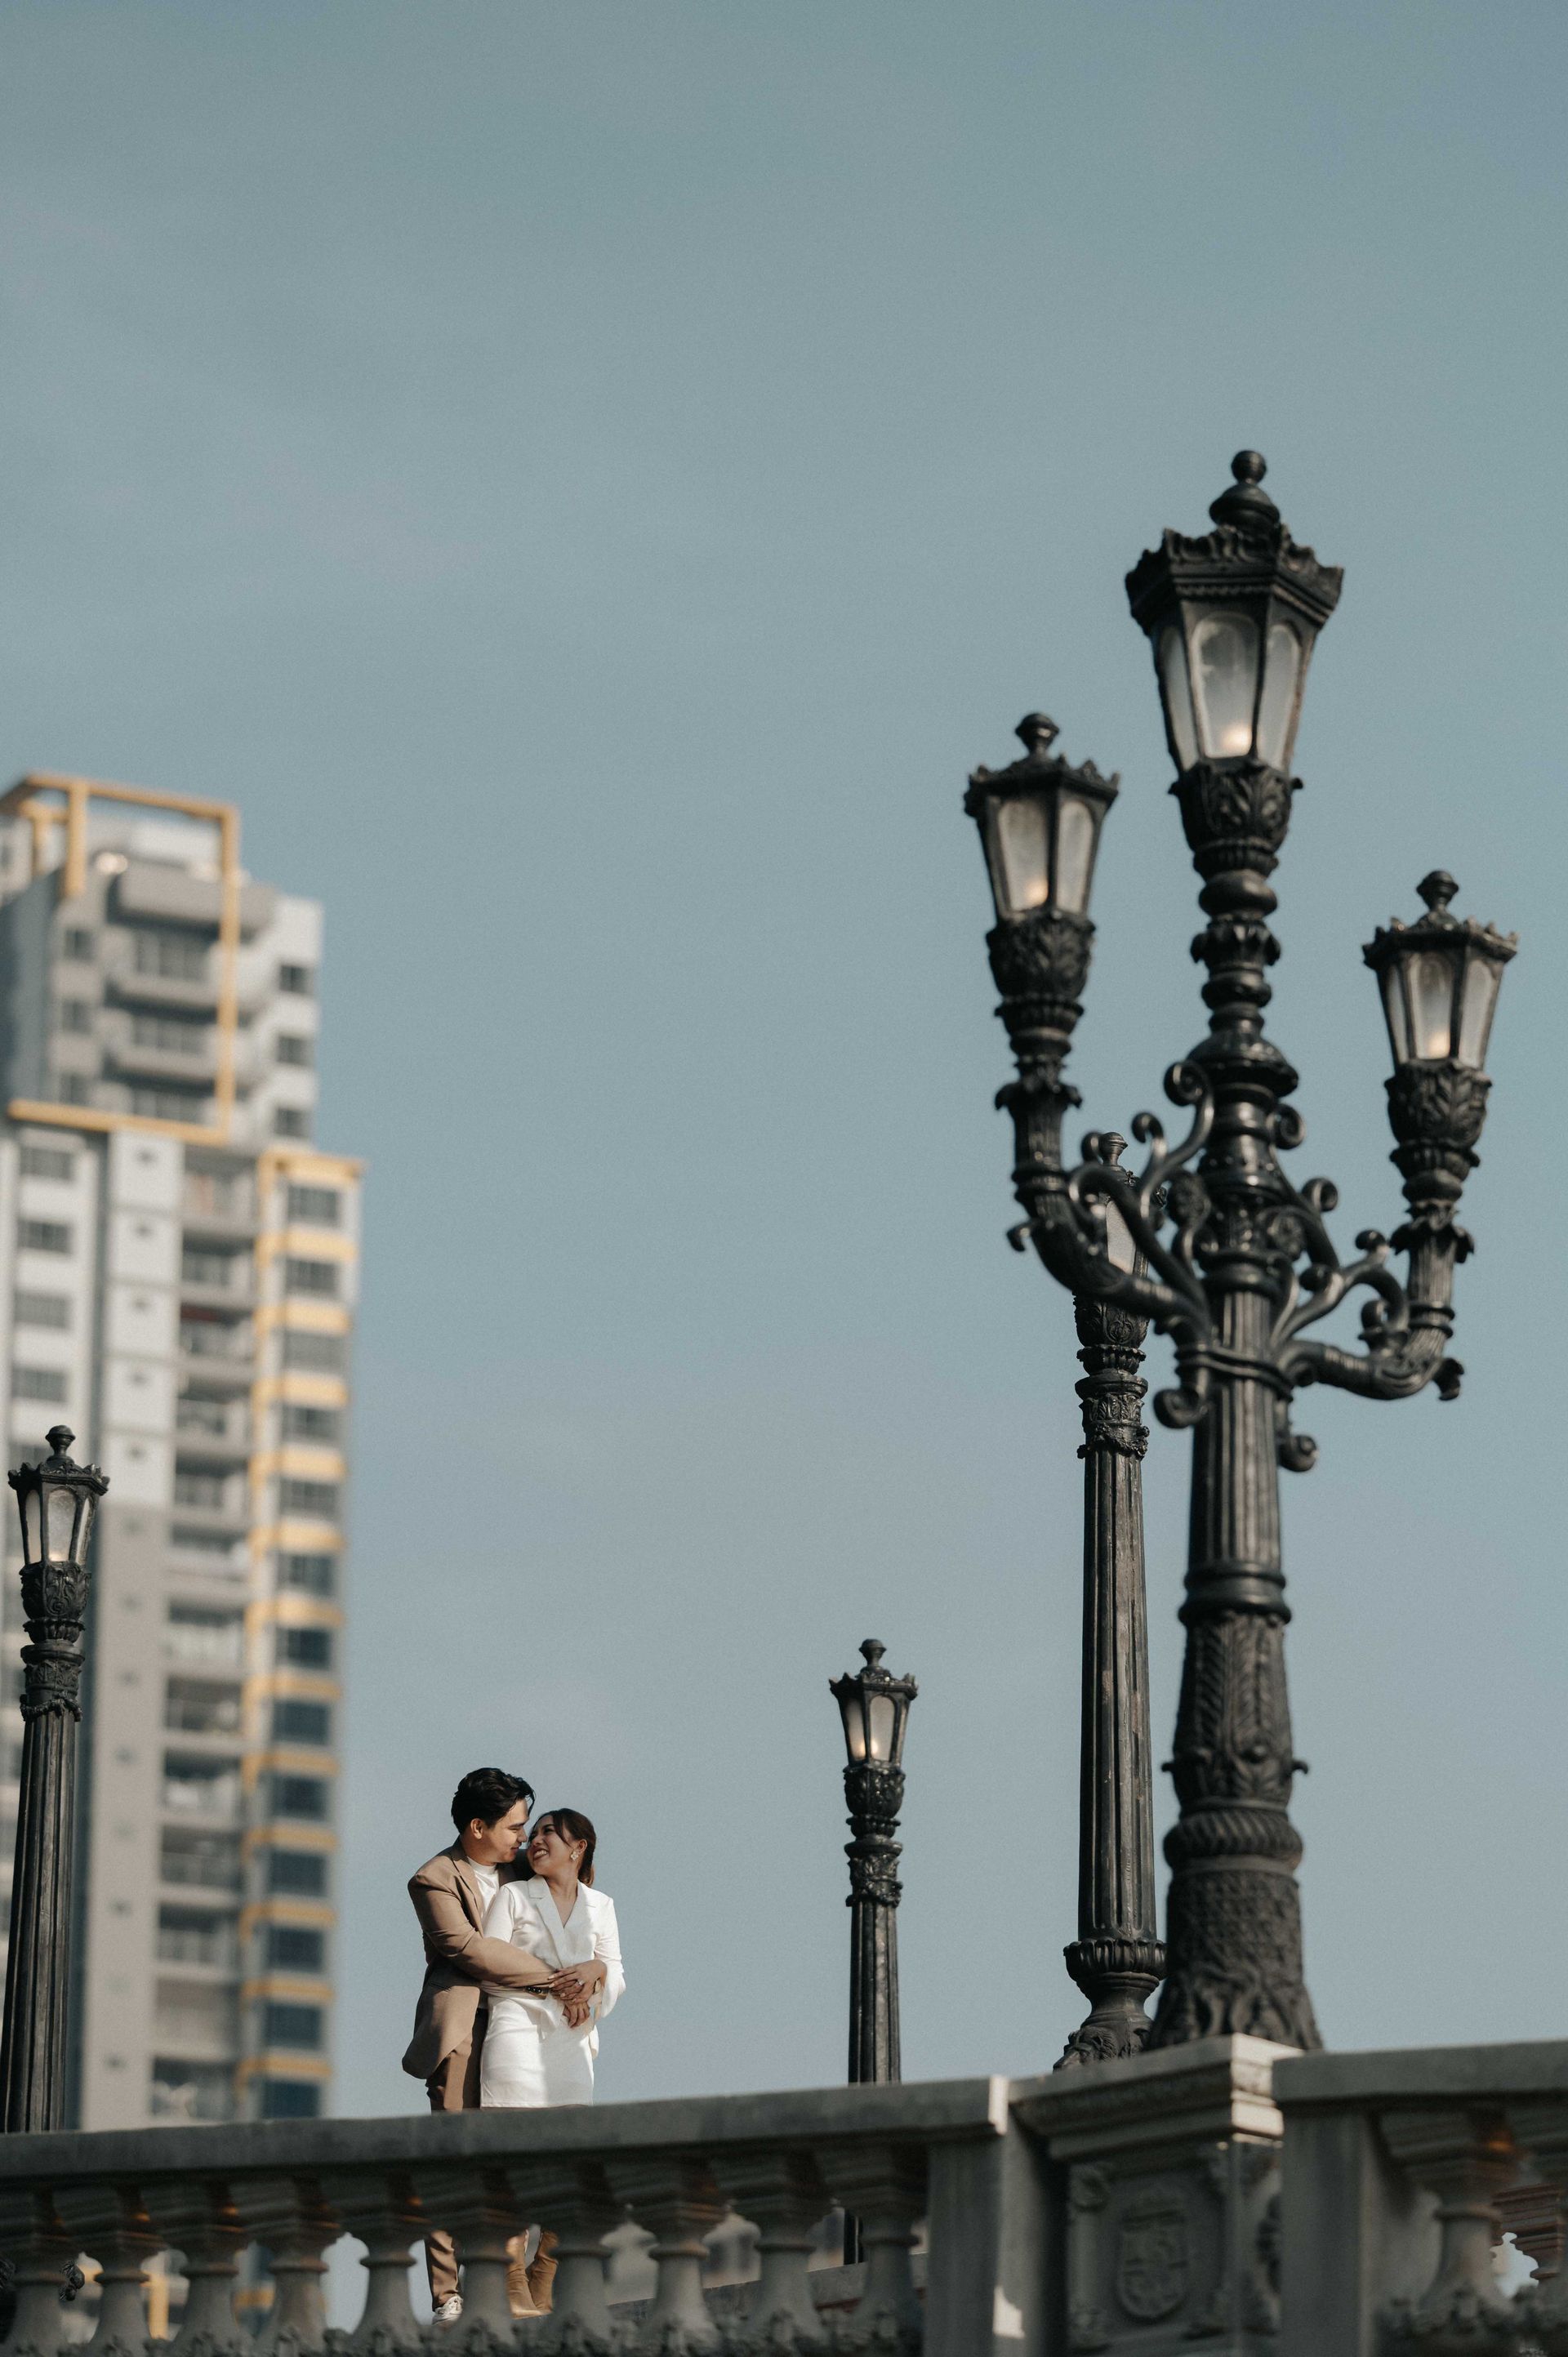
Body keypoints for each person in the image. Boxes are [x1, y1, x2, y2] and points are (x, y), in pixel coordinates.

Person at [403, 1767, 567, 2321]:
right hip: (465, 2029)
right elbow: (469, 1950)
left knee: (526, 2155)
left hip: (526, 2029)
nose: (523, 1837)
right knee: (454, 2158)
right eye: (514, 1827)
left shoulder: (526, 1869)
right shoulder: (433, 1879)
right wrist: (552, 1976)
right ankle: (448, 2295)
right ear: (478, 1827)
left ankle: (519, 2280)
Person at [479, 1807, 624, 2109]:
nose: (535, 1840)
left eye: (548, 1832)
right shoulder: (513, 1895)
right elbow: (487, 1969)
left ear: (579, 1847)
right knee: (509, 2132)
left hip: (573, 2041)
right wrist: (561, 1991)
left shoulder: (601, 1906)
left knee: (570, 2134)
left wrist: (596, 1969)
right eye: (533, 1834)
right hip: (516, 2035)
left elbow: (615, 1975)